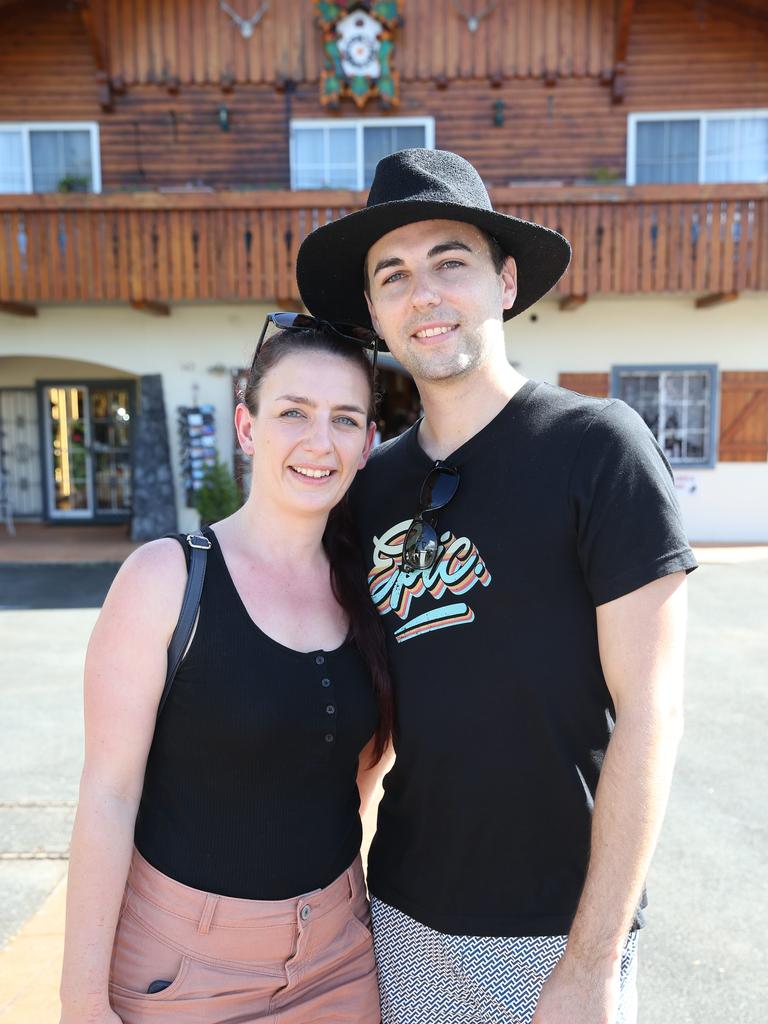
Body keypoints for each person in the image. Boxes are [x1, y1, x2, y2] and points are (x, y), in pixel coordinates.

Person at [296, 148, 698, 1024]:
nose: (423, 294)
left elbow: (652, 712)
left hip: (555, 931)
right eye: (393, 275)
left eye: (451, 263)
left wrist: (593, 960)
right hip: (401, 916)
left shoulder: (597, 448)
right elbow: (369, 717)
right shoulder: (371, 491)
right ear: (373, 311)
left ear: (506, 282)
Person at [59, 318, 389, 1024]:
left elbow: (355, 769)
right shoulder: (166, 578)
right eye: (293, 412)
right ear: (247, 427)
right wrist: (81, 999)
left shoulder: (367, 590)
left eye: (344, 419)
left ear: (367, 444)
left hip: (337, 956)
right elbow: (108, 793)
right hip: (185, 968)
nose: (317, 441)